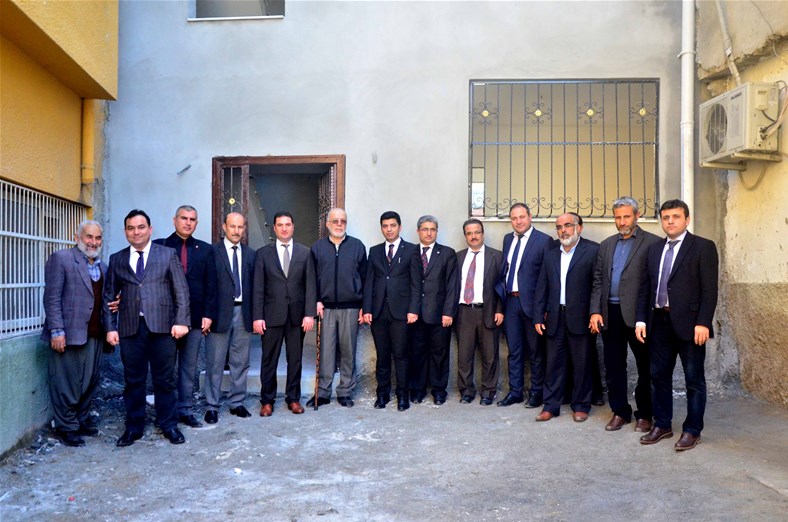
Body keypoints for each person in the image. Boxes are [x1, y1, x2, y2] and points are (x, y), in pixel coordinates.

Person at [636, 199, 718, 451]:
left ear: (687, 219)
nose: (670, 221)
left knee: (694, 379)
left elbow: (709, 290)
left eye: (676, 216)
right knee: (658, 376)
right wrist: (641, 319)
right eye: (666, 217)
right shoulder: (654, 249)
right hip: (658, 322)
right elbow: (646, 288)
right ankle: (662, 425)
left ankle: (692, 430)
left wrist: (703, 322)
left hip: (691, 325)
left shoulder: (703, 247)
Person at [104, 209, 190, 446]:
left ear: (150, 230)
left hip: (163, 327)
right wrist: (110, 328)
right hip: (130, 328)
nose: (136, 232)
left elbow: (181, 291)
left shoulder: (167, 254)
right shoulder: (117, 259)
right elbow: (109, 296)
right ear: (125, 232)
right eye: (131, 228)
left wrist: (182, 321)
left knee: (165, 380)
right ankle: (134, 427)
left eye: (141, 227)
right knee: (133, 381)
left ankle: (169, 425)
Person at [589, 197, 660, 432]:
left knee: (645, 366)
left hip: (639, 316)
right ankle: (620, 412)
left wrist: (647, 316)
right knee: (614, 366)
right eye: (618, 217)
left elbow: (654, 283)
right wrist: (595, 311)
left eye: (626, 216)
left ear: (637, 216)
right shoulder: (606, 245)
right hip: (610, 313)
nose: (622, 222)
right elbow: (598, 281)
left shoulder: (652, 243)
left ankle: (645, 414)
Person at [42, 220, 107, 447]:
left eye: (97, 238)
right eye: (89, 236)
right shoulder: (61, 259)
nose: (93, 242)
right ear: (76, 237)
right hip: (68, 334)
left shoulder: (103, 267)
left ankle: (81, 420)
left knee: (89, 382)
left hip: (95, 334)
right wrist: (56, 331)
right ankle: (66, 427)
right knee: (66, 384)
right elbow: (52, 298)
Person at [153, 205, 216, 428]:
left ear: (196, 223)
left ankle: (185, 409)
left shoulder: (205, 249)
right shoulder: (159, 246)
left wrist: (208, 314)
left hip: (195, 318)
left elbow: (211, 284)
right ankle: (166, 412)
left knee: (188, 367)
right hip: (165, 318)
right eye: (184, 218)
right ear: (174, 220)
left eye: (192, 219)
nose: (188, 222)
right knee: (165, 368)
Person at [534, 213, 599, 422]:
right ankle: (550, 406)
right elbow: (542, 286)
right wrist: (538, 316)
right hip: (555, 317)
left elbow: (597, 286)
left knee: (581, 365)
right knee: (553, 364)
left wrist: (594, 312)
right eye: (559, 227)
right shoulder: (551, 254)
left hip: (581, 318)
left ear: (579, 228)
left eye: (568, 225)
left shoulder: (592, 251)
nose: (563, 230)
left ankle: (581, 405)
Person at [252, 211, 316, 416]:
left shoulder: (305, 253)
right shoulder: (263, 254)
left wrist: (309, 314)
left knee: (295, 359)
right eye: (280, 225)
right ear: (274, 228)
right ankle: (267, 400)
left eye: (288, 224)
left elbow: (310, 286)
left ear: (293, 227)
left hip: (297, 316)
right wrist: (257, 316)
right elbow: (258, 288)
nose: (284, 228)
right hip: (271, 316)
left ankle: (293, 398)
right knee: (269, 360)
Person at [362, 211, 421, 411]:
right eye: (385, 226)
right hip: (378, 312)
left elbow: (416, 283)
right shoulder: (374, 251)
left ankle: (403, 395)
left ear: (399, 227)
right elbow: (369, 282)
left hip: (402, 313)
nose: (389, 229)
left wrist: (413, 309)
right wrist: (367, 308)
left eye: (392, 225)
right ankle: (382, 394)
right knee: (382, 355)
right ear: (381, 228)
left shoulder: (411, 250)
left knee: (401, 355)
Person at [495, 203, 552, 408]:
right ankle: (515, 392)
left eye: (522, 217)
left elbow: (548, 277)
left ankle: (537, 392)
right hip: (511, 302)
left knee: (536, 351)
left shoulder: (544, 241)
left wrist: (543, 309)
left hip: (533, 305)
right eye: (514, 218)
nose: (518, 221)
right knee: (514, 350)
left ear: (530, 217)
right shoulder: (508, 239)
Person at [308, 208, 367, 408]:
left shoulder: (357, 246)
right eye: (335, 221)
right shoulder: (317, 248)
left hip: (351, 307)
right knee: (326, 352)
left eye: (343, 221)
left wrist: (363, 306)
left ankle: (345, 391)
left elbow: (365, 278)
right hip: (325, 308)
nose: (339, 224)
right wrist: (316, 301)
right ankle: (323, 392)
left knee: (348, 351)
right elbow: (312, 279)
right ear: (328, 224)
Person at [203, 212, 256, 424]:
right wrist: (206, 314)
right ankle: (212, 405)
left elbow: (256, 287)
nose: (236, 231)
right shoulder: (212, 252)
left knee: (240, 361)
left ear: (244, 229)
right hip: (218, 314)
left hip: (244, 313)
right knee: (215, 362)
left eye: (240, 227)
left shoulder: (251, 254)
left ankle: (237, 402)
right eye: (232, 226)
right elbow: (207, 285)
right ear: (224, 227)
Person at [409, 215, 458, 405]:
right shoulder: (411, 252)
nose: (429, 233)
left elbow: (452, 285)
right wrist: (411, 310)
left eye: (432, 229)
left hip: (439, 314)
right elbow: (408, 284)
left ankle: (439, 390)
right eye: (425, 229)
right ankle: (418, 389)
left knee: (440, 354)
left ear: (436, 231)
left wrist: (448, 312)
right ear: (418, 231)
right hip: (416, 314)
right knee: (417, 353)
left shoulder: (447, 253)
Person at [454, 219, 503, 405]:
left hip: (487, 311)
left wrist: (500, 309)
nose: (473, 236)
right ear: (465, 236)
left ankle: (488, 391)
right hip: (464, 312)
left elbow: (502, 285)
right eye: (469, 233)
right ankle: (466, 390)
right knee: (464, 356)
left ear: (483, 233)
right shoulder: (457, 257)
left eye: (477, 232)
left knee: (490, 355)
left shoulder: (496, 256)